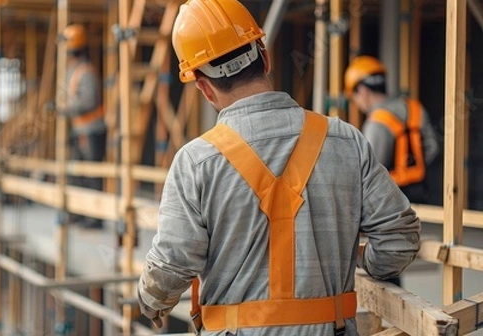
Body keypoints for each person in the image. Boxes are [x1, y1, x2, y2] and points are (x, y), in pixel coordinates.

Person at [137, 0, 421, 335]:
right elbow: (400, 239)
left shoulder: (196, 162)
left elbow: (170, 269)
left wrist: (150, 302)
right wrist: (359, 260)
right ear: (265, 56)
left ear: (202, 86)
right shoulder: (346, 141)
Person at [344, 56, 439, 204]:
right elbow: (432, 148)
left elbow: (370, 172)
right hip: (422, 197)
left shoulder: (376, 122)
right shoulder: (415, 108)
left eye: (353, 97)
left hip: (391, 205)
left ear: (362, 90)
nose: (355, 103)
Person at [58, 24, 107, 229]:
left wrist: (65, 108)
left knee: (91, 175)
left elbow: (88, 101)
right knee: (78, 174)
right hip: (80, 130)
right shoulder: (74, 70)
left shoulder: (85, 71)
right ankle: (80, 213)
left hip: (91, 130)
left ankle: (94, 218)